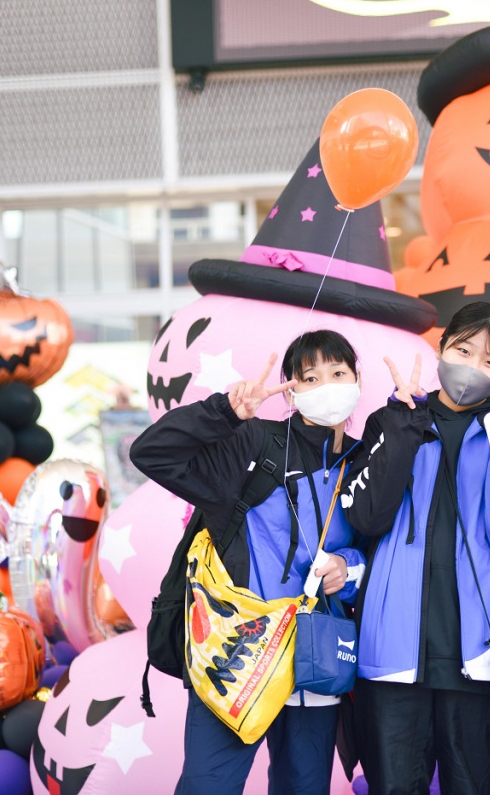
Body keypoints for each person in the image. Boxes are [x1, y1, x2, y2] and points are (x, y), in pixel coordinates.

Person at [129, 330, 367, 795]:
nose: (327, 386)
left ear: (357, 380)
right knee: (207, 787)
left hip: (313, 658)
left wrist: (348, 567)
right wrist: (223, 412)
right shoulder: (255, 442)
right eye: (310, 378)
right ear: (292, 391)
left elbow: (381, 552)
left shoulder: (362, 461)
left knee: (304, 788)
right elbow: (150, 453)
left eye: (338, 373)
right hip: (236, 655)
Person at [343, 301, 490, 795]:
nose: (473, 368)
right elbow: (366, 518)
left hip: (478, 655)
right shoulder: (391, 420)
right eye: (463, 350)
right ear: (441, 347)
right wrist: (402, 426)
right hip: (392, 651)